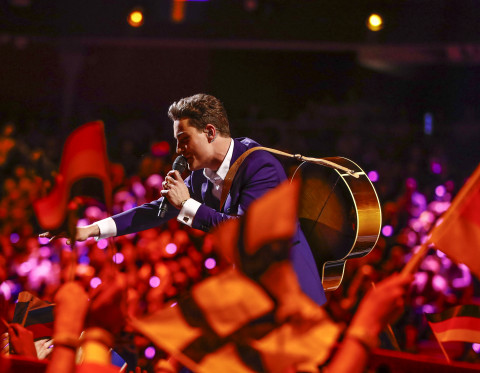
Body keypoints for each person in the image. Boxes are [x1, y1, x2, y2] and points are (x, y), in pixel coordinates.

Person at [44, 93, 326, 305]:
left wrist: (188, 205)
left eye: (184, 139)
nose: (178, 151)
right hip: (256, 293)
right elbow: (159, 210)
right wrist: (92, 230)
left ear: (210, 132)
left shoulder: (260, 166)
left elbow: (246, 233)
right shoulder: (202, 174)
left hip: (293, 298)